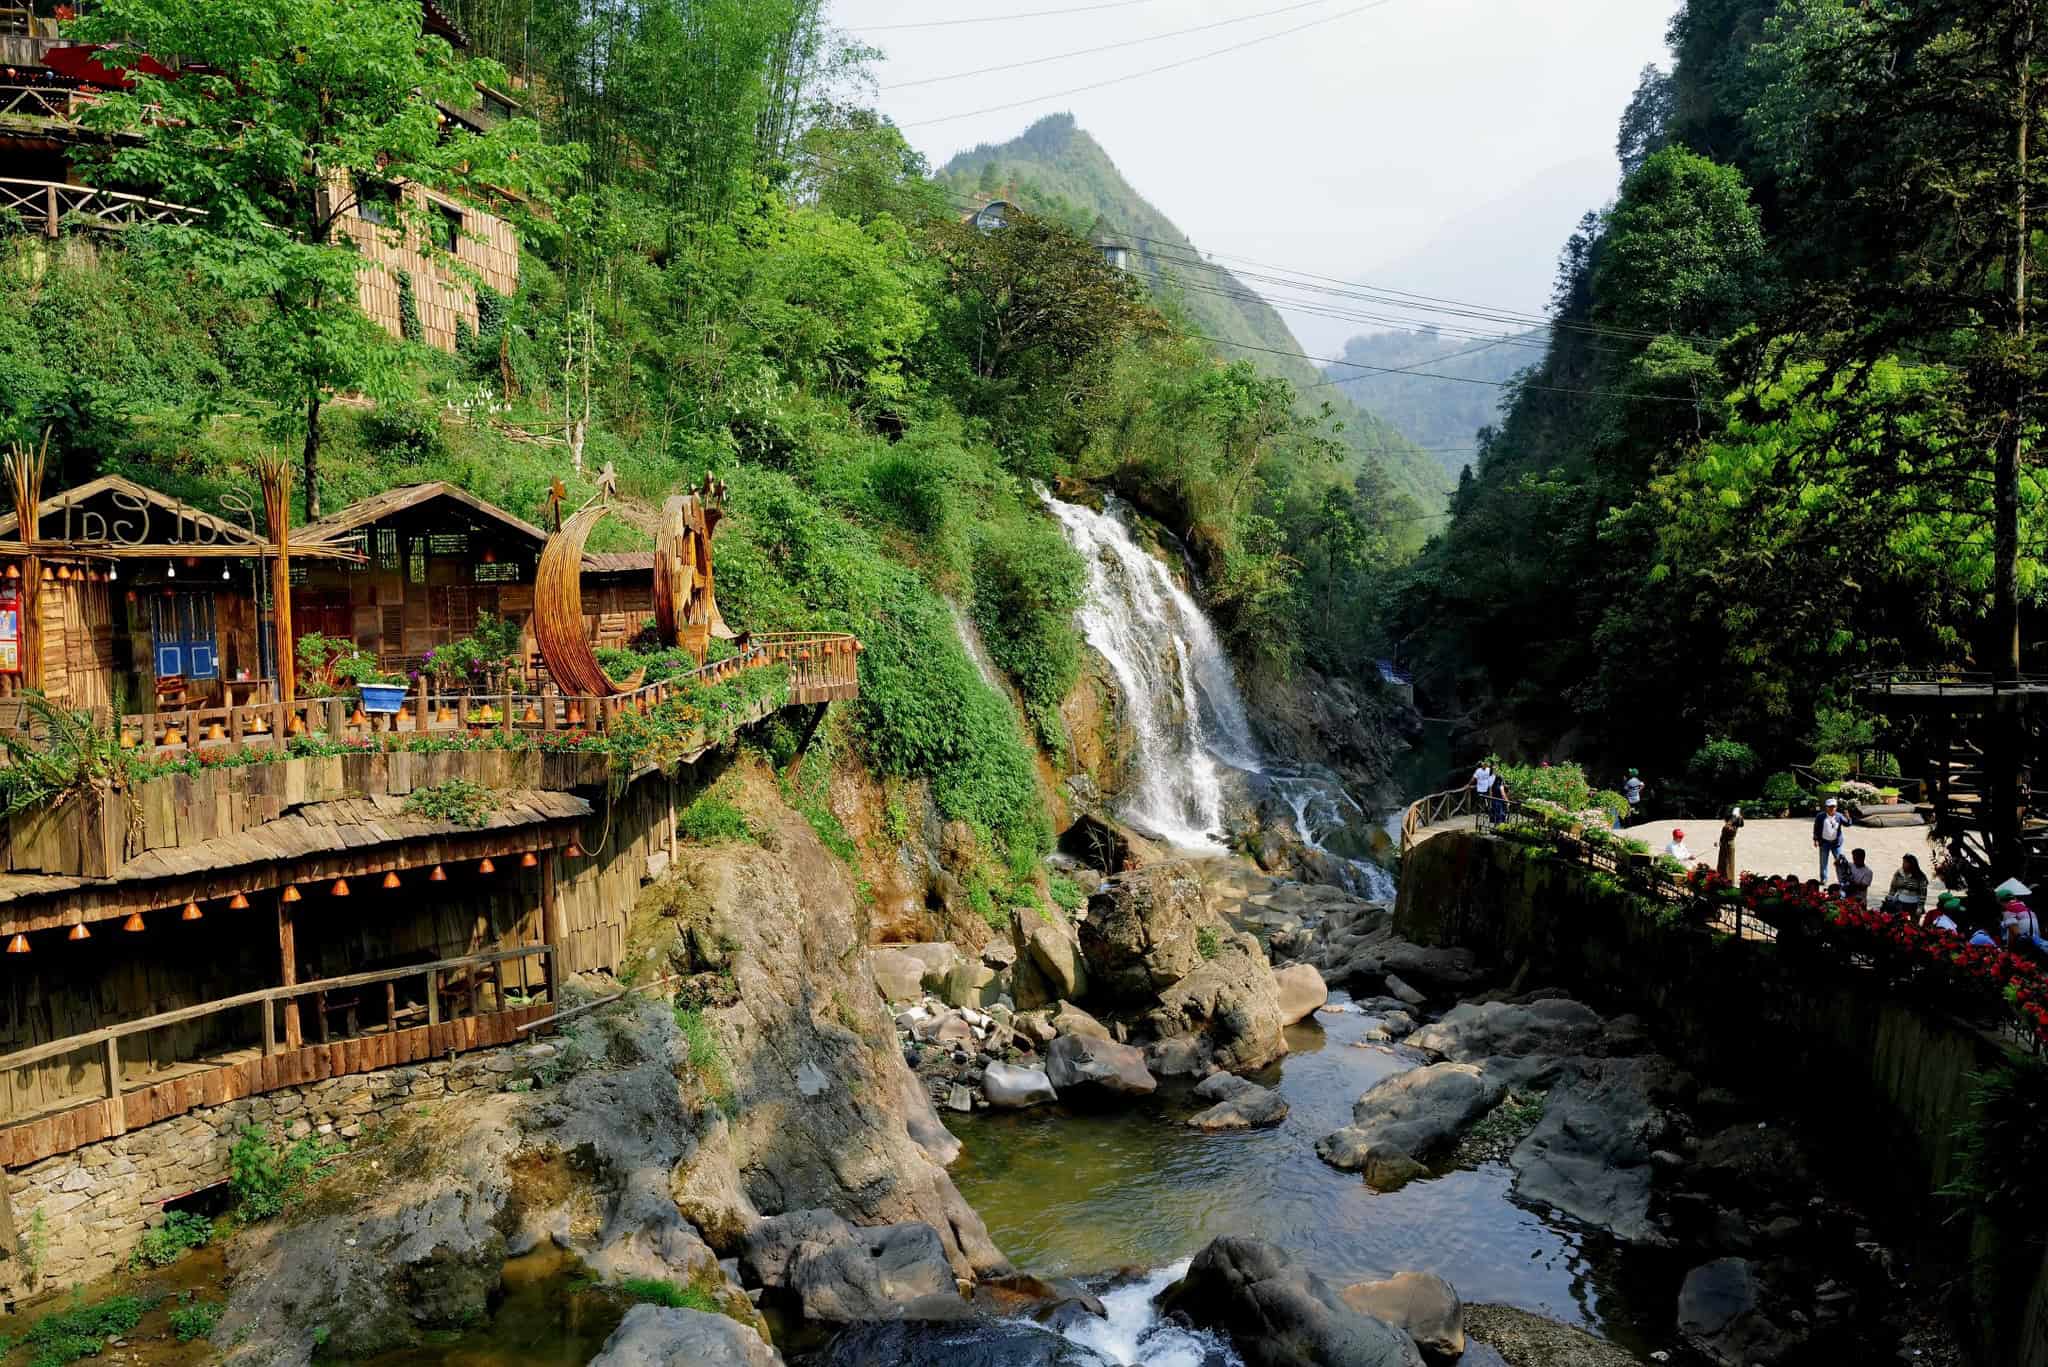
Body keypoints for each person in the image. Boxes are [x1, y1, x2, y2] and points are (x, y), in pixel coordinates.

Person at [1812, 798, 1851, 882]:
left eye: (1833, 807)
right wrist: (1815, 839)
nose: (1832, 808)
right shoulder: (1820, 816)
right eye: (1830, 807)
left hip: (1836, 844)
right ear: (1826, 807)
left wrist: (1848, 817)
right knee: (1823, 862)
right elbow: (1816, 828)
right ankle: (1823, 879)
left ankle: (1842, 880)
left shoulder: (1839, 816)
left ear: (1836, 807)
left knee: (1840, 862)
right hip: (1824, 843)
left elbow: (1847, 824)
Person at [1716, 808, 1743, 881]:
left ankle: (1726, 880)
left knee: (1726, 864)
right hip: (1728, 845)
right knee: (1727, 863)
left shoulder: (1729, 827)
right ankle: (1726, 879)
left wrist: (1734, 817)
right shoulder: (1734, 825)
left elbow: (1726, 829)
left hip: (1726, 846)